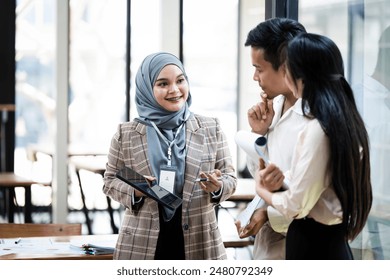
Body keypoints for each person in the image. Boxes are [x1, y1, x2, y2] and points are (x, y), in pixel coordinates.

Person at [103, 52, 237, 260]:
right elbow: (109, 181)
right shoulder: (126, 134)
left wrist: (218, 187)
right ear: (147, 89)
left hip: (200, 242)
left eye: (180, 80)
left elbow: (230, 177)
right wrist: (138, 191)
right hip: (141, 244)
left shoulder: (211, 128)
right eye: (163, 84)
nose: (175, 90)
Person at [254, 33, 373, 260]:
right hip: (333, 241)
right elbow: (323, 180)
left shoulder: (319, 128)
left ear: (301, 76)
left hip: (312, 243)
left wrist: (262, 189)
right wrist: (286, 178)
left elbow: (294, 206)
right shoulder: (348, 122)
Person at [235, 17, 307, 260]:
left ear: (286, 66)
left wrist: (267, 214)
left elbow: (310, 199)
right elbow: (262, 178)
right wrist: (259, 134)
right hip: (267, 249)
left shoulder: (315, 121)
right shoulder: (273, 108)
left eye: (259, 69)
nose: (255, 78)